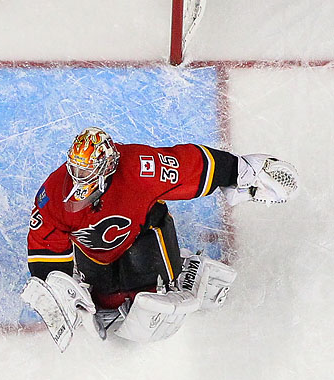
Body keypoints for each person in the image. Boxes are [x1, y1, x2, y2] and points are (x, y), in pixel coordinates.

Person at [21, 127, 299, 351]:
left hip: (145, 233)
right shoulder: (55, 192)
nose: (79, 178)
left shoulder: (141, 168)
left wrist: (240, 171)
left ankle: (179, 272)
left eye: (87, 171)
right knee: (108, 303)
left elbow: (191, 165)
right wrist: (56, 285)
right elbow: (44, 240)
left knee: (150, 292)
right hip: (95, 253)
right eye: (77, 169)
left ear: (107, 166)